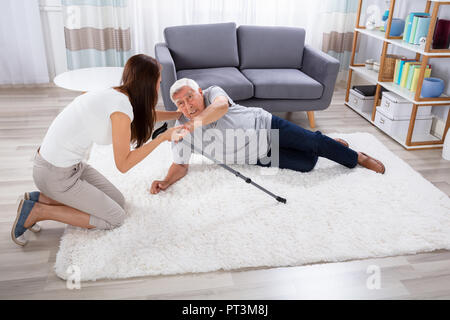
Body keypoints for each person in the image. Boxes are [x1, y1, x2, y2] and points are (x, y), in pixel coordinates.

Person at [11, 54, 186, 246]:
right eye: (158, 82)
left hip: (68, 167)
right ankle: (39, 211)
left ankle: (40, 198)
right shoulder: (121, 110)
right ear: (148, 84)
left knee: (118, 202)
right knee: (115, 218)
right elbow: (124, 164)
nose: (158, 87)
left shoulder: (116, 94)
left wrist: (178, 114)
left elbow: (143, 115)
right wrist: (161, 137)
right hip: (54, 175)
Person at [150, 78, 385, 195]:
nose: (187, 105)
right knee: (306, 164)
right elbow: (180, 164)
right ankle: (327, 144)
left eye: (190, 97)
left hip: (266, 126)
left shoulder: (213, 94)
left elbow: (221, 107)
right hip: (256, 155)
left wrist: (192, 125)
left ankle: (356, 157)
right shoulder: (180, 129)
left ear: (200, 92)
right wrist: (167, 181)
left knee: (313, 143)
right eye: (180, 103)